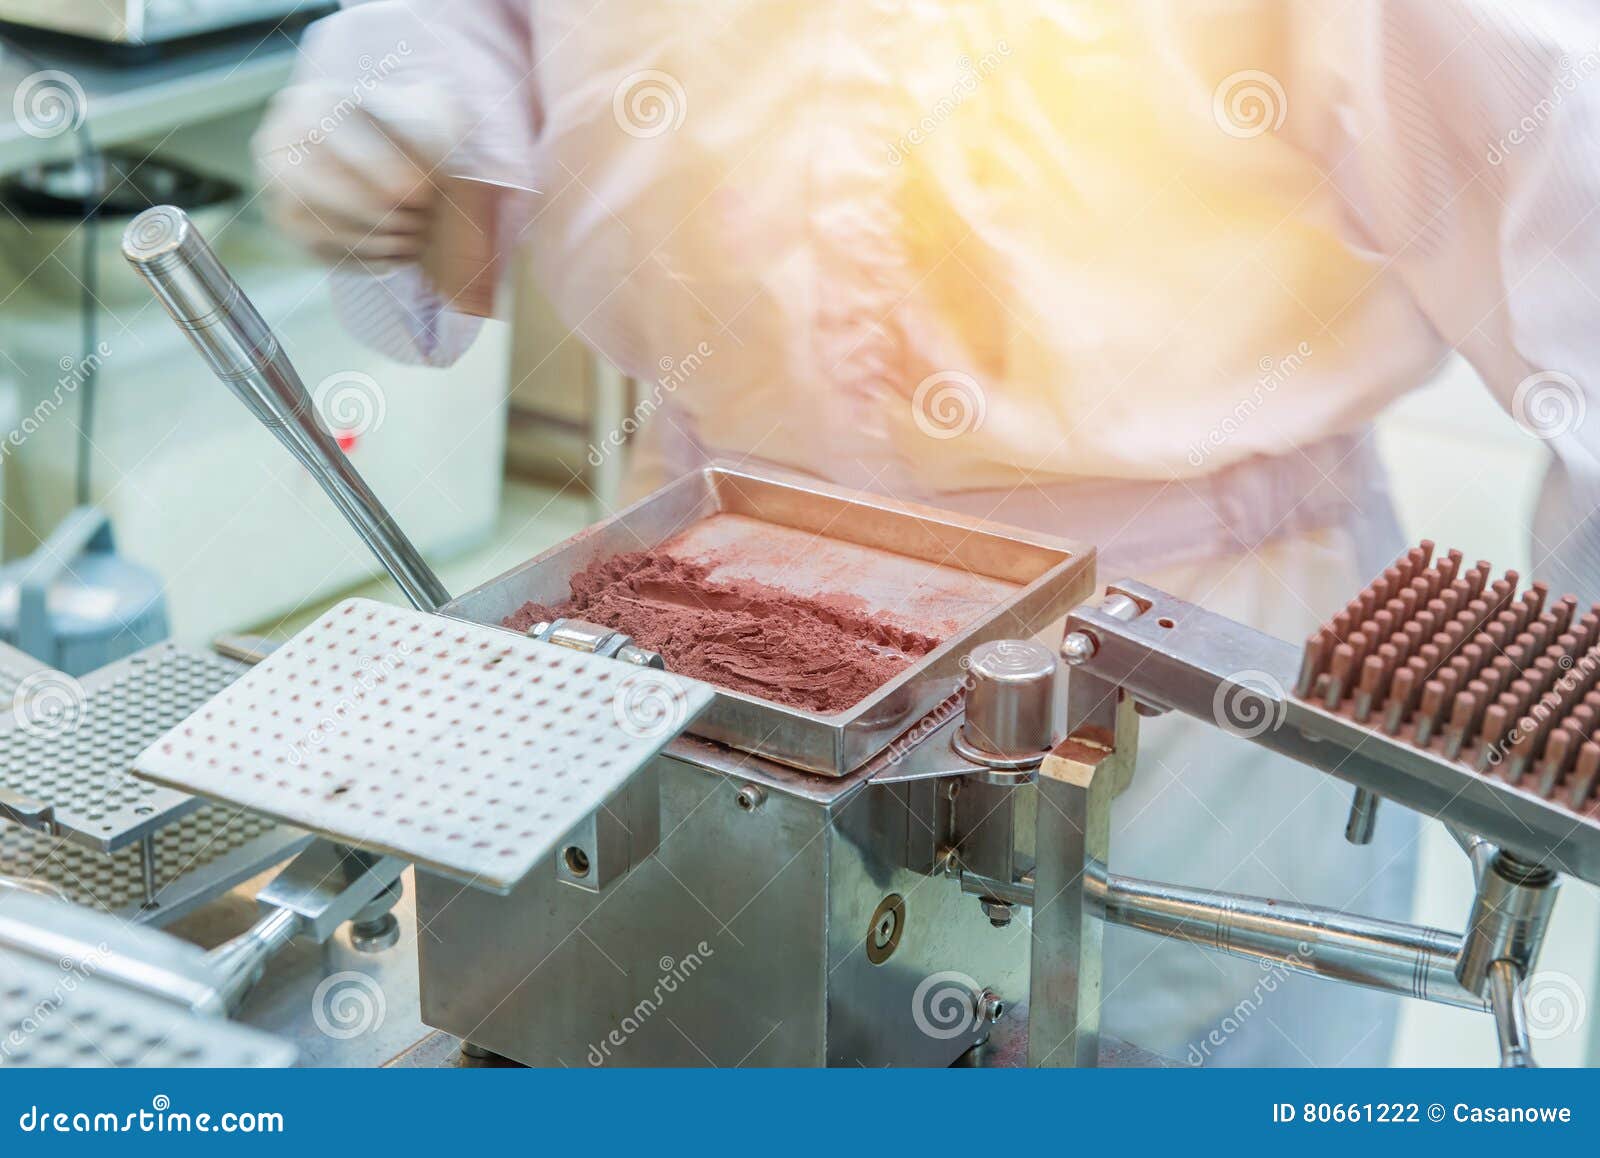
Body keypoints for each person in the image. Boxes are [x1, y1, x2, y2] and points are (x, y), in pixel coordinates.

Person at [253, 0, 1600, 1065]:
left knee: (1142, 1048)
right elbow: (488, 21)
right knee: (705, 1029)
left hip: (1180, 671)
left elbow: (1559, 168)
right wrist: (398, 98)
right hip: (701, 605)